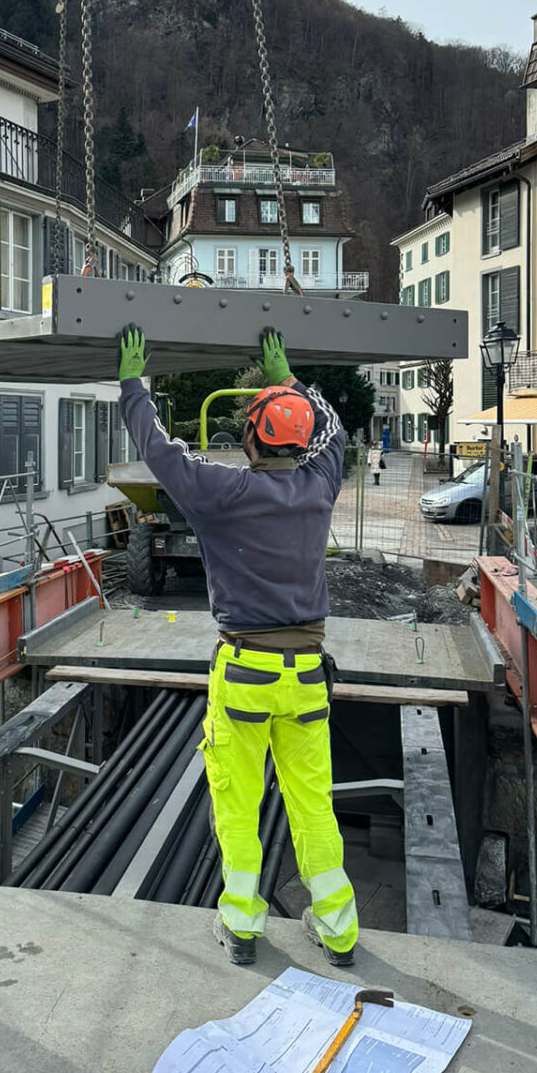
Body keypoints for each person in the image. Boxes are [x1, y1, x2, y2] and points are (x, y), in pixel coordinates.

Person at [118, 326, 357, 969]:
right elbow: (335, 429)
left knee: (237, 801)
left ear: (250, 437)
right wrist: (291, 381)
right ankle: (337, 931)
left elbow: (160, 453)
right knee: (312, 803)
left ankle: (244, 926)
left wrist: (132, 387)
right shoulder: (320, 485)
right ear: (299, 441)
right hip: (307, 678)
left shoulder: (222, 495)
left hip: (245, 674)